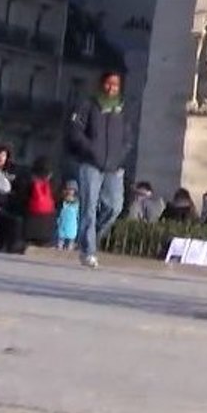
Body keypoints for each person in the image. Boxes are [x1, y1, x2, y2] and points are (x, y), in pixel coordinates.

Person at [68, 71, 134, 268]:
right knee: (89, 207)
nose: (111, 88)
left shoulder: (122, 109)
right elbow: (75, 131)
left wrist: (121, 155)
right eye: (108, 84)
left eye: (115, 85)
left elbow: (128, 137)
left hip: (114, 166)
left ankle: (89, 238)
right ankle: (88, 251)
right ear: (101, 84)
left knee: (115, 207)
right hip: (91, 163)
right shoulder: (88, 105)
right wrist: (90, 149)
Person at [21, 156, 57, 248]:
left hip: (31, 219)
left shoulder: (29, 180)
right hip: (47, 221)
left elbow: (24, 198)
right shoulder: (52, 183)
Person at [57, 180, 80, 250]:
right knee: (61, 235)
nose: (69, 191)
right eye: (68, 189)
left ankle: (70, 246)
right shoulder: (62, 201)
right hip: (63, 221)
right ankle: (60, 245)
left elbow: (78, 215)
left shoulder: (77, 202)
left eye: (71, 189)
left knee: (72, 236)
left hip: (72, 222)